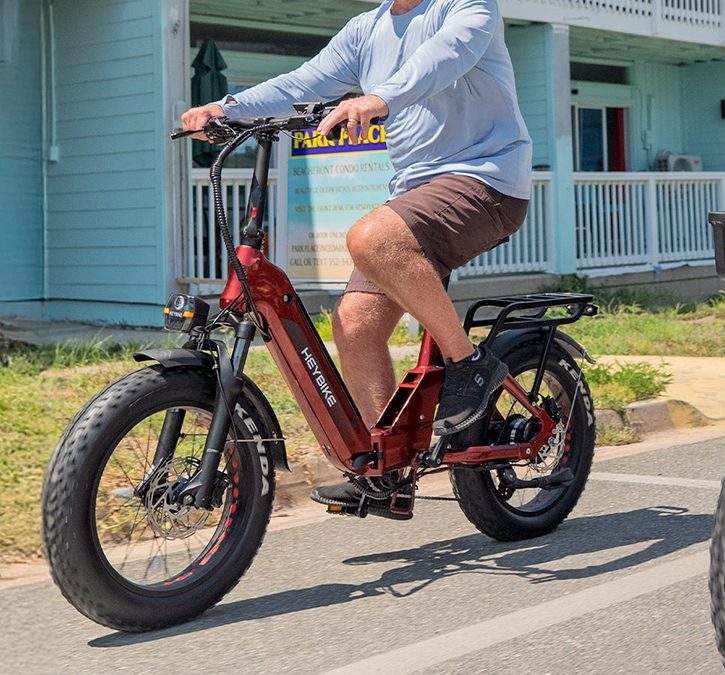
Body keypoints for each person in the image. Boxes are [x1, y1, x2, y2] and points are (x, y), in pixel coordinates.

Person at [181, 0, 532, 509]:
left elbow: (440, 60)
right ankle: (386, 471)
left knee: (371, 237)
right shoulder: (365, 30)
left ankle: (469, 365)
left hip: (487, 181)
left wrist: (377, 98)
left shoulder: (469, 8)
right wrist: (226, 109)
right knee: (354, 324)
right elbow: (303, 82)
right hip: (414, 191)